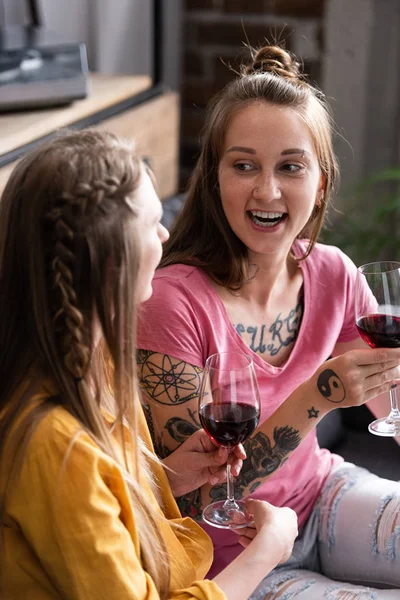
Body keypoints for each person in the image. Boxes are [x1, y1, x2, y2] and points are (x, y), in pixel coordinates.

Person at [136, 45, 400, 598]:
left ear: (321, 182)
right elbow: (199, 497)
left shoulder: (332, 271)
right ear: (213, 179)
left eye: (290, 166)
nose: (267, 190)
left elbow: (386, 404)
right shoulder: (169, 303)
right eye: (244, 165)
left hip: (325, 493)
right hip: (233, 558)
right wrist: (320, 394)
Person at [0, 129, 299, 600]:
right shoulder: (55, 447)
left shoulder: (98, 363)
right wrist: (265, 552)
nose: (165, 235)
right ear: (111, 259)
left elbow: (102, 502)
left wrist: (169, 473)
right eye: (153, 222)